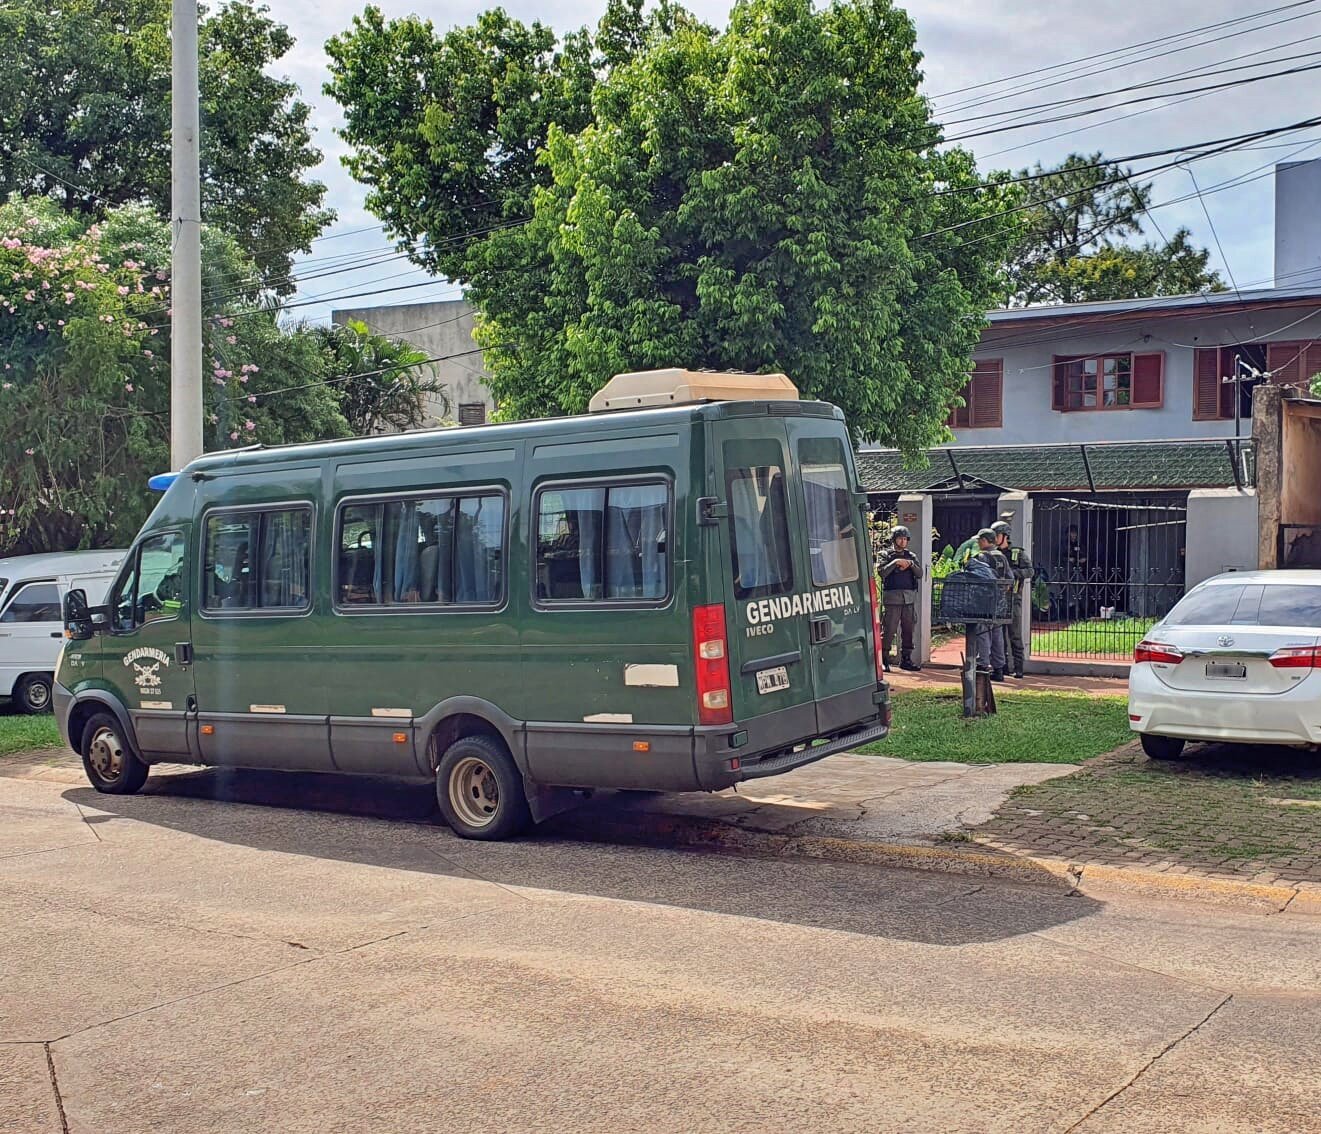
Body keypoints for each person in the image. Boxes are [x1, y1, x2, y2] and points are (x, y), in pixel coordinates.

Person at [878, 525, 923, 672]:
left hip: (908, 598)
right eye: (900, 538)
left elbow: (920, 573)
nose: (903, 542)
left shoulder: (911, 556)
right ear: (894, 539)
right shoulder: (885, 554)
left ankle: (906, 659)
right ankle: (884, 659)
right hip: (892, 599)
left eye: (905, 539)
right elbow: (882, 573)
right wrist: (896, 562)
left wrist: (909, 564)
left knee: (908, 630)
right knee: (889, 630)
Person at [992, 519, 1032, 679]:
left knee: (1014, 634)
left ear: (1005, 536)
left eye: (997, 535)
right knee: (999, 636)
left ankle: (1019, 667)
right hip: (998, 599)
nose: (995, 538)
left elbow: (1030, 571)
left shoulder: (1018, 553)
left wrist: (1013, 574)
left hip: (1013, 598)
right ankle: (1003, 667)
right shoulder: (994, 555)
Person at [971, 527, 1011, 680]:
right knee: (997, 635)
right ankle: (999, 669)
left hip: (983, 601)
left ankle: (983, 665)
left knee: (982, 633)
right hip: (1000, 602)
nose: (978, 543)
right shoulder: (1001, 557)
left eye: (979, 540)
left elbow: (976, 578)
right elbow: (1010, 579)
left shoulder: (982, 557)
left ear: (984, 541)